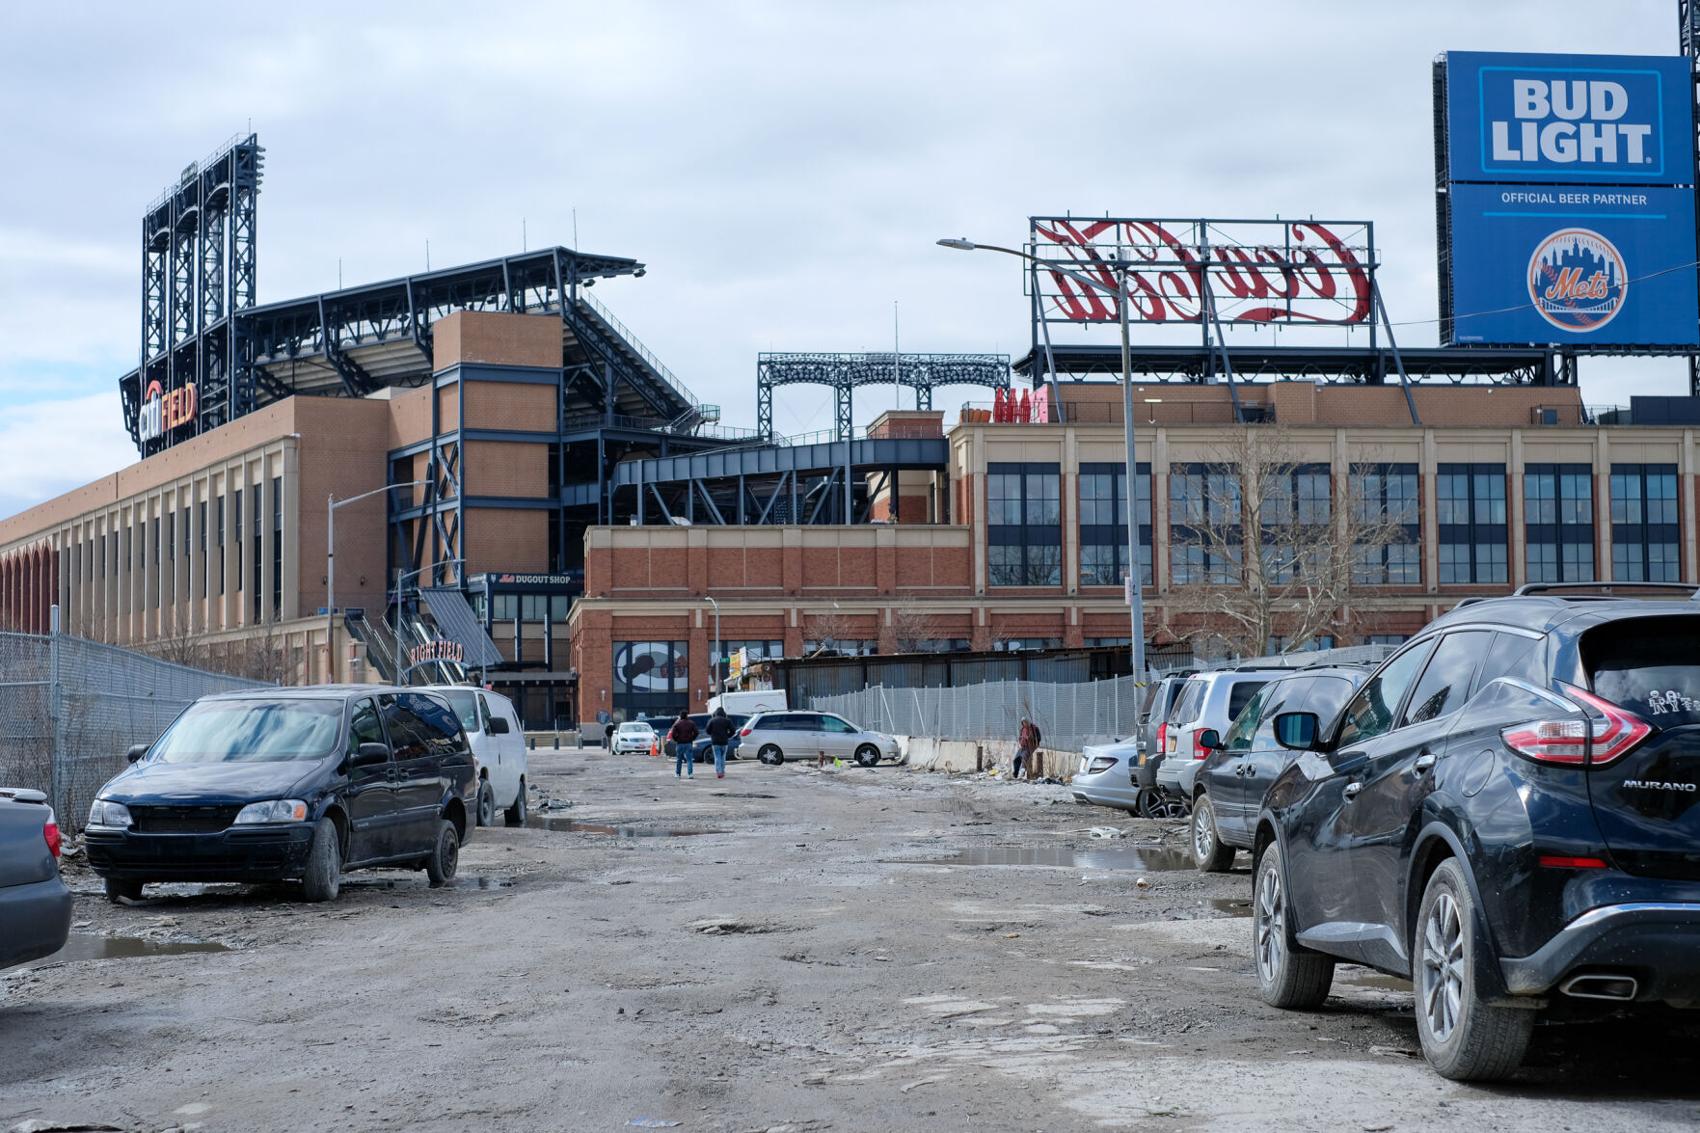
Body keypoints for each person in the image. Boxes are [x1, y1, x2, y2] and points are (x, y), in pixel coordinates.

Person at [705, 707, 736, 780]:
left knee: (717, 757)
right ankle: (722, 771)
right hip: (724, 741)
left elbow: (707, 730)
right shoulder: (727, 721)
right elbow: (733, 730)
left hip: (715, 741)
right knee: (723, 757)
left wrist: (712, 734)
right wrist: (728, 736)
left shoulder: (712, 720)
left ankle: (719, 772)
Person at [669, 711, 700, 779]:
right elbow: (696, 732)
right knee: (689, 759)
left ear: (680, 716)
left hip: (680, 743)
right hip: (688, 743)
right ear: (686, 716)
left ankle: (678, 774)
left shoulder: (677, 724)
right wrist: (692, 738)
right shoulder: (691, 723)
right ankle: (690, 774)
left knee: (679, 759)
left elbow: (673, 734)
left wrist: (676, 739)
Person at [1013, 716, 1041, 781]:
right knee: (1016, 758)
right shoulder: (1022, 729)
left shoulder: (1034, 728)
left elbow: (1038, 738)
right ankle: (1015, 774)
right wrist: (1021, 741)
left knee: (1024, 756)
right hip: (1023, 746)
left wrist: (1031, 739)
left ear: (1028, 722)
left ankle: (1022, 771)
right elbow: (1020, 737)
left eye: (1025, 722)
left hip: (1031, 746)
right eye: (1023, 722)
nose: (1024, 723)